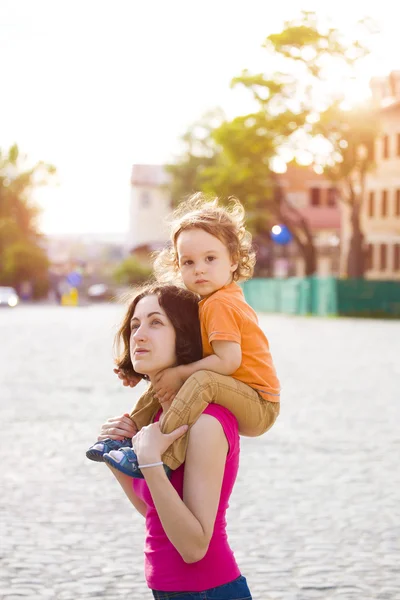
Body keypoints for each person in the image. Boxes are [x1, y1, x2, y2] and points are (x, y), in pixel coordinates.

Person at [88, 193, 280, 478]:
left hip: (259, 403)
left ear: (233, 260)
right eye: (188, 262)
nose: (199, 268)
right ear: (177, 266)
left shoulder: (220, 303)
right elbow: (183, 353)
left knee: (194, 377)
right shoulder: (207, 301)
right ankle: (125, 436)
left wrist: (181, 374)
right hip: (233, 389)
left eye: (210, 258)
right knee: (168, 376)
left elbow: (227, 362)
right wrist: (139, 370)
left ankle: (162, 454)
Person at [95, 284, 253, 599]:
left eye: (156, 322)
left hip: (208, 591)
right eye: (135, 325)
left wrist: (151, 462)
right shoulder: (158, 419)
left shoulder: (206, 422)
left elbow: (194, 547)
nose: (139, 334)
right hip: (168, 591)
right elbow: (155, 511)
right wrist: (117, 456)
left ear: (184, 336)